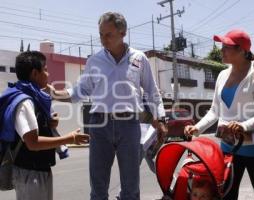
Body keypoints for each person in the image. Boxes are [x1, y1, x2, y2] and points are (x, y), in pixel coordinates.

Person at [46, 12, 167, 200]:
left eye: (108, 34)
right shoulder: (94, 61)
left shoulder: (139, 58)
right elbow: (80, 91)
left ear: (123, 33)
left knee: (130, 187)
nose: (103, 39)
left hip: (129, 125)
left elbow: (152, 91)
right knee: (98, 186)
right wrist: (55, 93)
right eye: (101, 34)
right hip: (99, 125)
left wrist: (161, 118)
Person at [184, 29, 254, 200]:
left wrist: (243, 126)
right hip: (227, 149)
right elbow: (215, 111)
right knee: (225, 195)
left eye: (226, 47)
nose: (221, 51)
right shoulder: (222, 74)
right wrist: (197, 128)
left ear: (242, 50)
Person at [0, 51, 89, 200]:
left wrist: (47, 123)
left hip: (37, 169)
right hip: (30, 172)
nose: (48, 74)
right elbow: (33, 143)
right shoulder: (25, 101)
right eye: (46, 70)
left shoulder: (34, 97)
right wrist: (69, 139)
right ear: (35, 73)